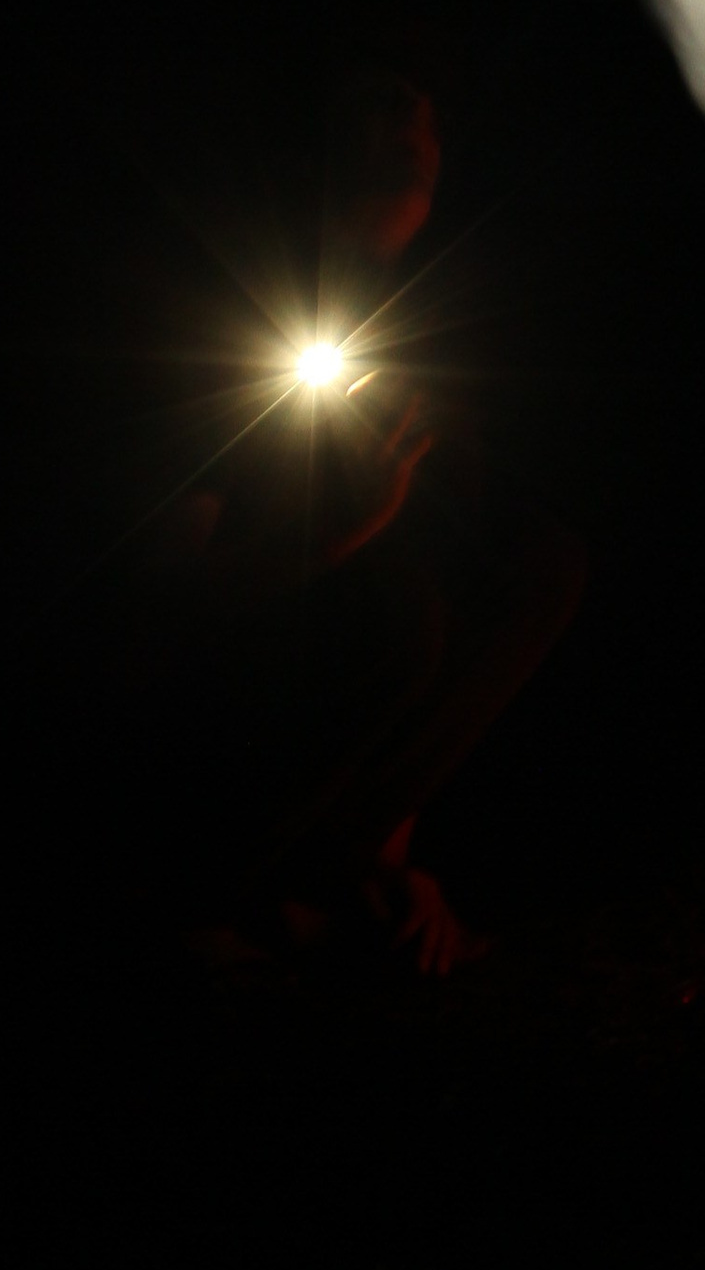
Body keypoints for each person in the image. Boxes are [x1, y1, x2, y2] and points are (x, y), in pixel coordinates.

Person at [130, 76, 585, 973]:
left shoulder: (415, 337)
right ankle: (197, 905)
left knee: (536, 565)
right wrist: (332, 532)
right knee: (389, 609)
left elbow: (457, 617)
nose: (415, 125)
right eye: (383, 101)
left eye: (429, 110)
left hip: (333, 704)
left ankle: (338, 881)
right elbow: (146, 610)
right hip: (181, 734)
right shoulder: (220, 309)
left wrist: (390, 853)